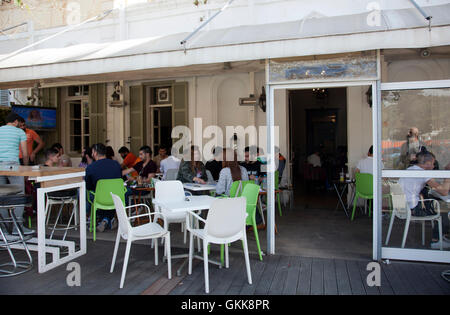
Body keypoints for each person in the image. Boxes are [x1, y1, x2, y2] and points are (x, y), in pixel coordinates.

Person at [399, 151, 450, 249]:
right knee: (443, 210)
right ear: (428, 163)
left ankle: (442, 236)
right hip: (413, 209)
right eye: (433, 163)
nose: (434, 166)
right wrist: (448, 175)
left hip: (404, 207)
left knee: (434, 203)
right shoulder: (423, 173)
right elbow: (443, 192)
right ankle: (436, 240)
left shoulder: (410, 169)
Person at [0, 112, 32, 234]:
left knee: (2, 196)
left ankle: (4, 229)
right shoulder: (19, 132)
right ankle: (17, 227)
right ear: (15, 122)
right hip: (13, 165)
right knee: (19, 195)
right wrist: (26, 169)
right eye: (20, 123)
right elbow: (25, 154)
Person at [85, 143, 123, 232]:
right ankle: (106, 219)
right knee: (108, 196)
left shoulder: (91, 167)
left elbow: (89, 186)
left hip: (99, 198)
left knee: (89, 195)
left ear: (94, 152)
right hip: (116, 198)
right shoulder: (116, 164)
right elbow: (119, 179)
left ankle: (93, 219)